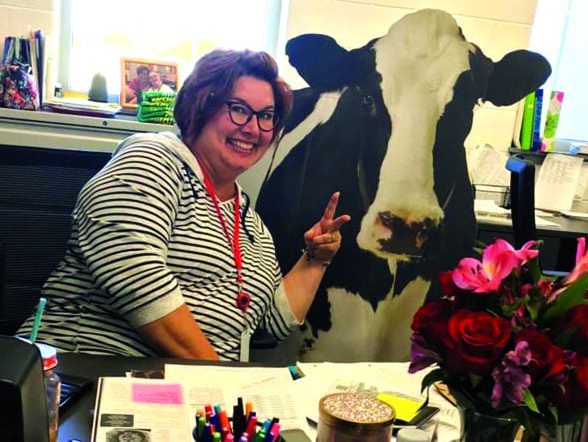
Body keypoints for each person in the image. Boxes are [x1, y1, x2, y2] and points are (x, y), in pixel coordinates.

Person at [18, 49, 350, 362]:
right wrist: (220, 382)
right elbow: (137, 280)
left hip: (182, 393)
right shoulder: (151, 160)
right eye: (238, 109)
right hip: (84, 374)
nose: (253, 128)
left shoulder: (250, 222)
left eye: (267, 116)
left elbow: (271, 324)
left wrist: (316, 259)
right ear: (200, 107)